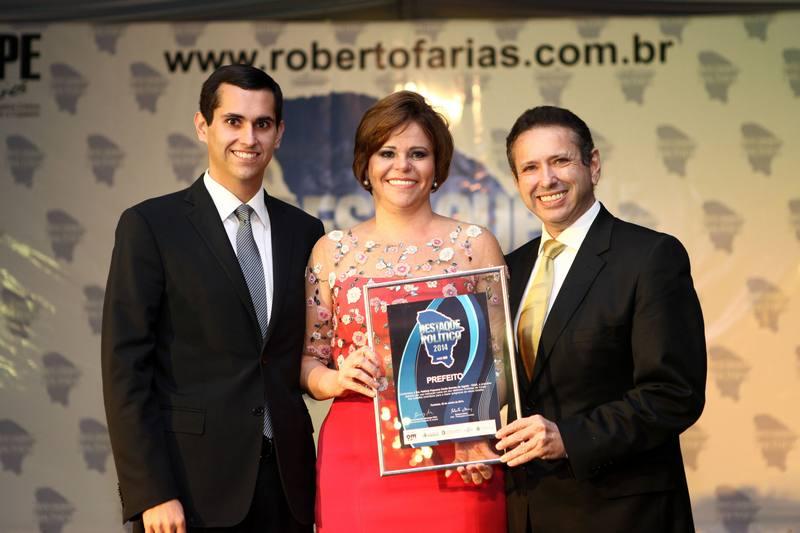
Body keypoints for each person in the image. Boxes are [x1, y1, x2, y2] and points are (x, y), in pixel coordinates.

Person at [101, 64, 324, 533]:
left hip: (288, 490)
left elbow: (307, 352)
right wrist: (151, 491)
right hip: (189, 491)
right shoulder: (151, 226)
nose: (249, 137)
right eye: (233, 121)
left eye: (262, 123)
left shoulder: (305, 231)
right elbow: (125, 370)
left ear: (279, 133)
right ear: (203, 126)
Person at [300, 91, 507, 532]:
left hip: (460, 453)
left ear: (438, 166)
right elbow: (307, 362)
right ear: (366, 164)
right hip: (358, 456)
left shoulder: (475, 245)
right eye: (387, 153)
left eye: (418, 154)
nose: (403, 166)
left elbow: (503, 360)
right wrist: (336, 379)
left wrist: (474, 427)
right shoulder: (331, 252)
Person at [495, 105, 707, 532]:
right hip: (529, 511)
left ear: (592, 165)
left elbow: (674, 393)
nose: (546, 180)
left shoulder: (650, 257)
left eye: (560, 161)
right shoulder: (509, 269)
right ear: (517, 181)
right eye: (530, 168)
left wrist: (569, 438)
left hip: (623, 514)